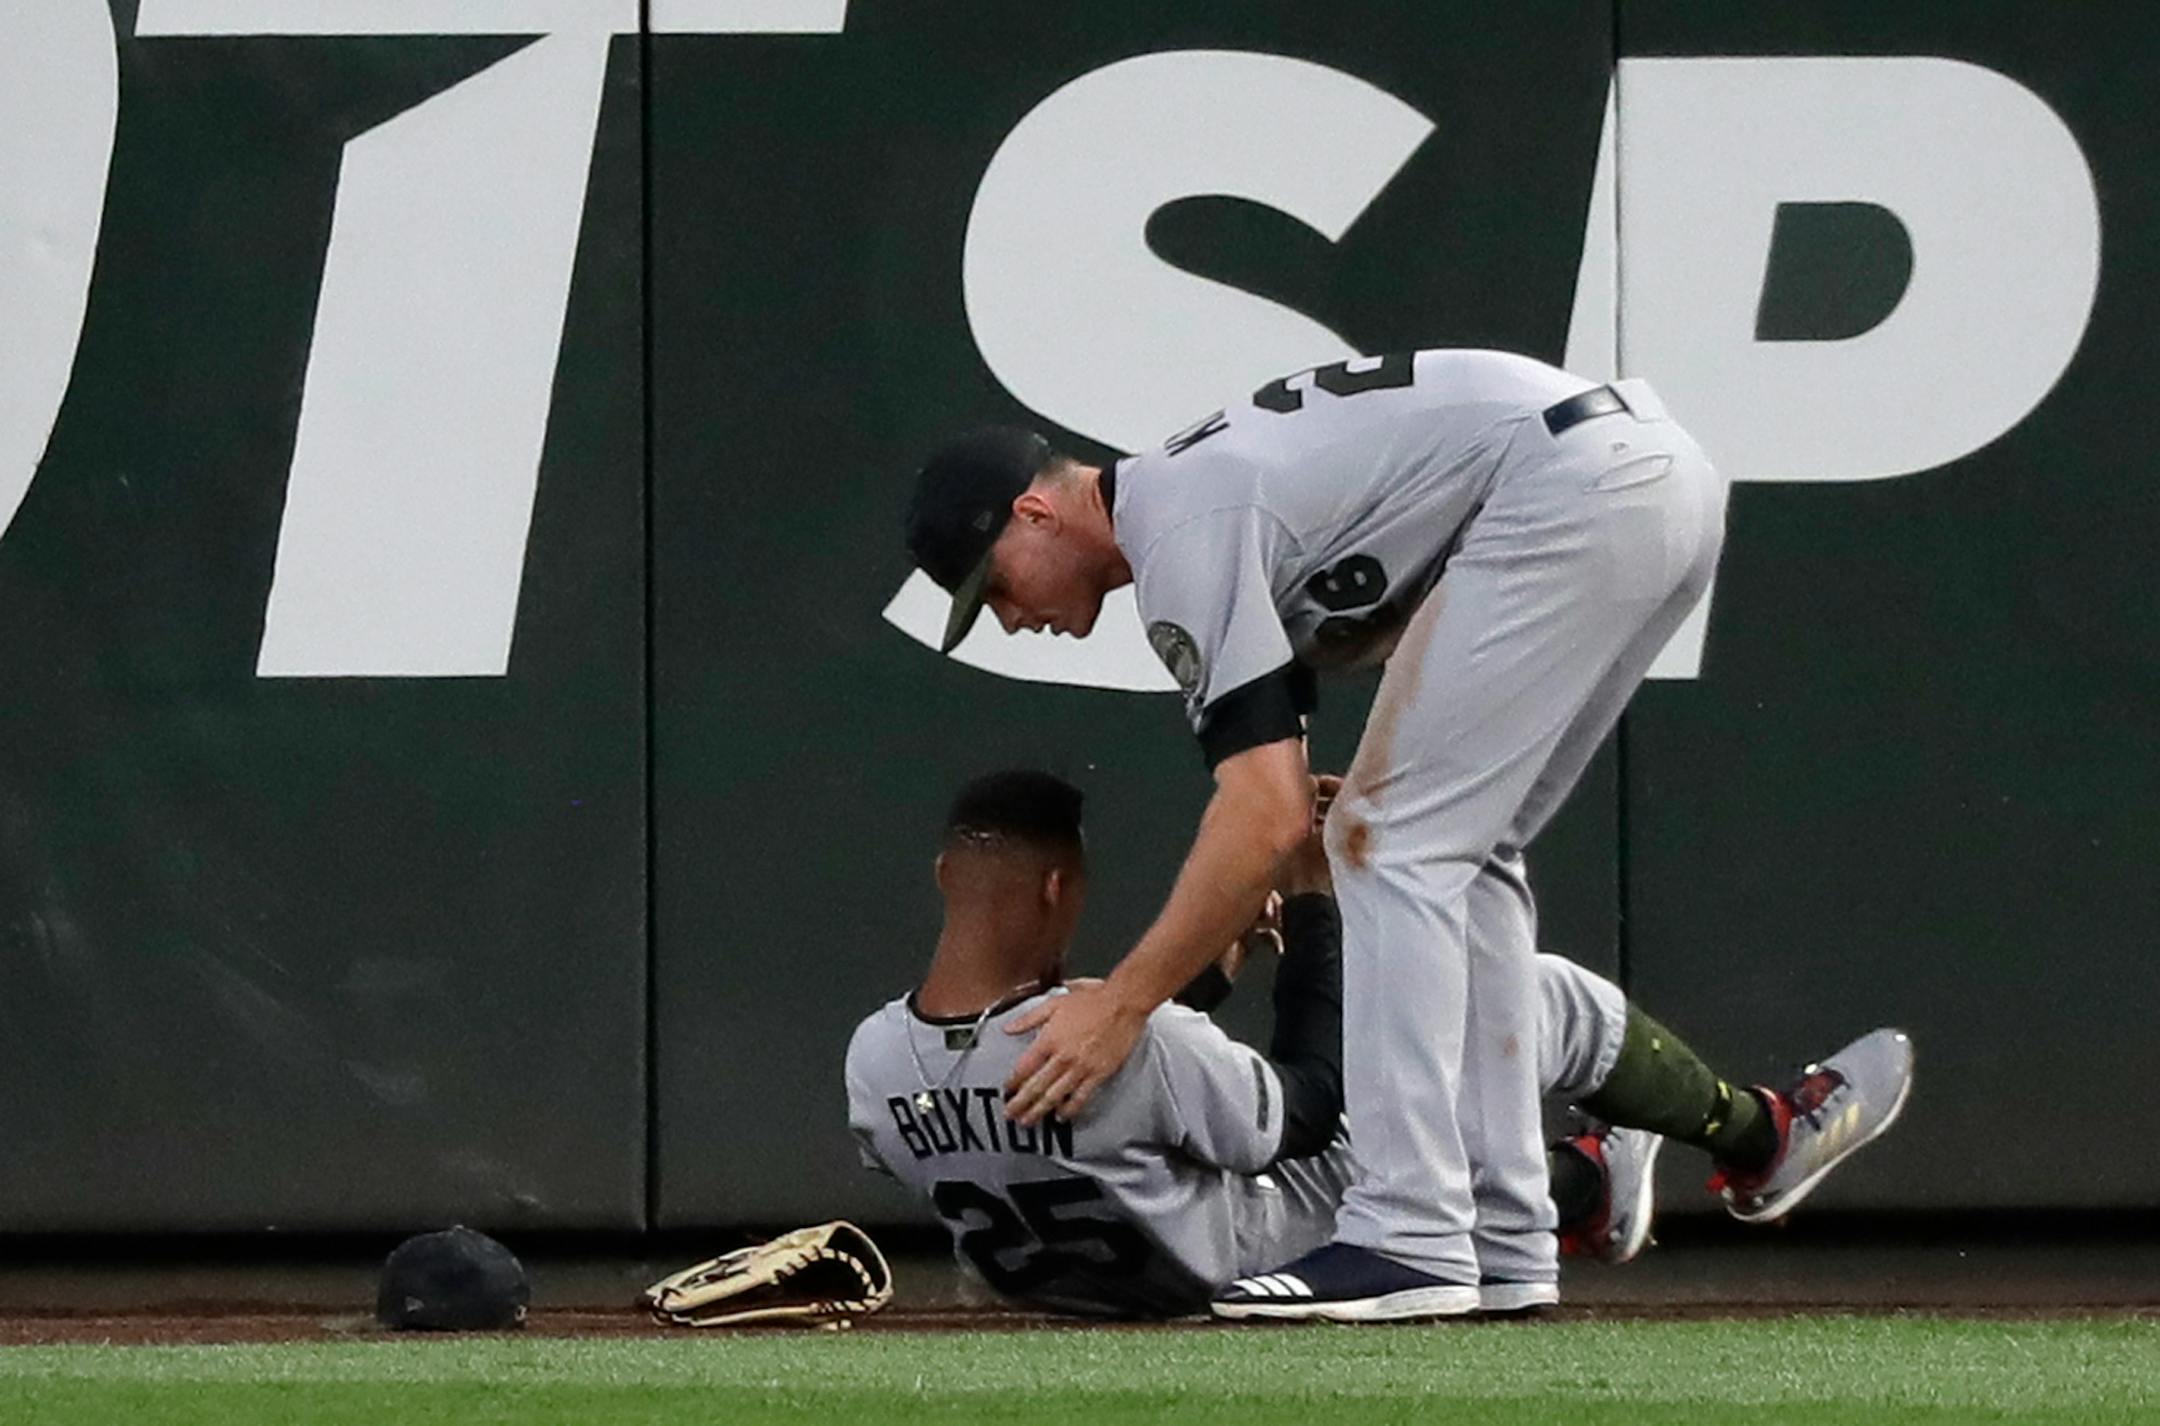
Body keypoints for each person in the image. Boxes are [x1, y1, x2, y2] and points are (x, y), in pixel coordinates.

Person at [904, 349, 1727, 1317]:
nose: (1006, 617)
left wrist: (1122, 1003)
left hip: (1570, 488)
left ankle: (1408, 1231)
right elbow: (1279, 800)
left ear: (1034, 515)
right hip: (1642, 477)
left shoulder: (1180, 530)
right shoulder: (1188, 507)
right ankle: (1507, 1233)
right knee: (1457, 851)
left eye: (992, 587)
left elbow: (1264, 814)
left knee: (1393, 845)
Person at [844, 770, 1914, 1320]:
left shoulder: (875, 1062)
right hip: (1276, 1248)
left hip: (1094, 1291)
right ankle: (1762, 1137)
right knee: (1525, 998)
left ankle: (1583, 1188)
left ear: (944, 877)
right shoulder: (1110, 1032)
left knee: (1442, 1089)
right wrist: (1313, 905)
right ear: (1057, 888)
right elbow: (1305, 1103)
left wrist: (1209, 974)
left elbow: (1108, 1103)